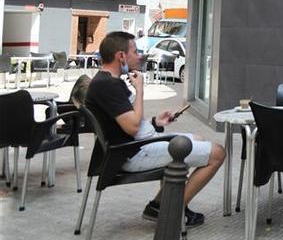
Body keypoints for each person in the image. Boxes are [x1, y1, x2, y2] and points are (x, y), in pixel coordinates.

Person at [84, 31, 225, 227]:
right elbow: (132, 126)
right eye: (134, 51)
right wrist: (141, 89)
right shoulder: (108, 86)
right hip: (131, 153)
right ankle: (172, 209)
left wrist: (155, 122)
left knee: (199, 139)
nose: (139, 55)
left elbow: (128, 123)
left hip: (134, 145)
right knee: (217, 153)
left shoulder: (109, 81)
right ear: (121, 56)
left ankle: (158, 206)